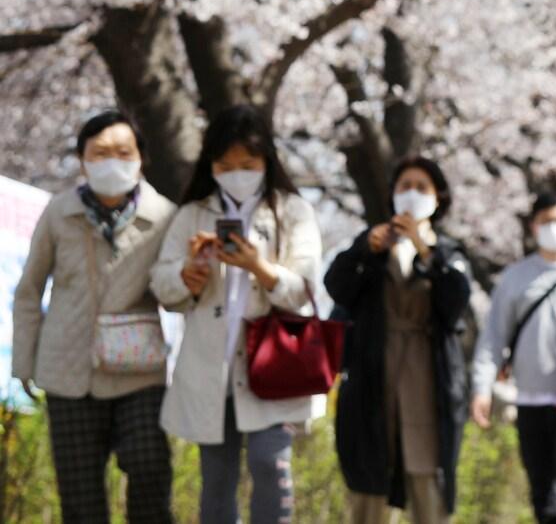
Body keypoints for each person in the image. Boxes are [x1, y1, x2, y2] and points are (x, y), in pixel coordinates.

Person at [149, 105, 322, 524]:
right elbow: (161, 282)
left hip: (273, 363)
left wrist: (258, 267)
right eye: (226, 164)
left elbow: (304, 289)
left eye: (248, 163)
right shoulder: (192, 213)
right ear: (211, 164)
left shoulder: (292, 210)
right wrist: (188, 275)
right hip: (211, 365)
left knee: (269, 464)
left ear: (267, 161)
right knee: (217, 478)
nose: (237, 173)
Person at [11, 111, 177, 524]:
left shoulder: (164, 217)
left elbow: (172, 289)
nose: (112, 161)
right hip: (67, 369)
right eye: (100, 153)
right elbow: (30, 290)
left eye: (123, 151)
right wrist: (24, 363)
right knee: (80, 498)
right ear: (83, 160)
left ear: (141, 157)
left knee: (150, 469)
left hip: (138, 370)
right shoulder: (58, 213)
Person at [326, 155, 473, 524]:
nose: (412, 195)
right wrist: (366, 251)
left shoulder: (449, 253)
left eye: (422, 188)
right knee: (369, 476)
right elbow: (337, 288)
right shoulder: (372, 244)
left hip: (426, 376)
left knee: (427, 470)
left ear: (438, 198)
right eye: (404, 186)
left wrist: (426, 252)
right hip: (374, 371)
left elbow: (457, 303)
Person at [471, 191, 556, 524]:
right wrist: (481, 387)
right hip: (530, 398)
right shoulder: (515, 277)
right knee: (542, 491)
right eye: (545, 222)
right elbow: (493, 336)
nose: (553, 228)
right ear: (533, 227)